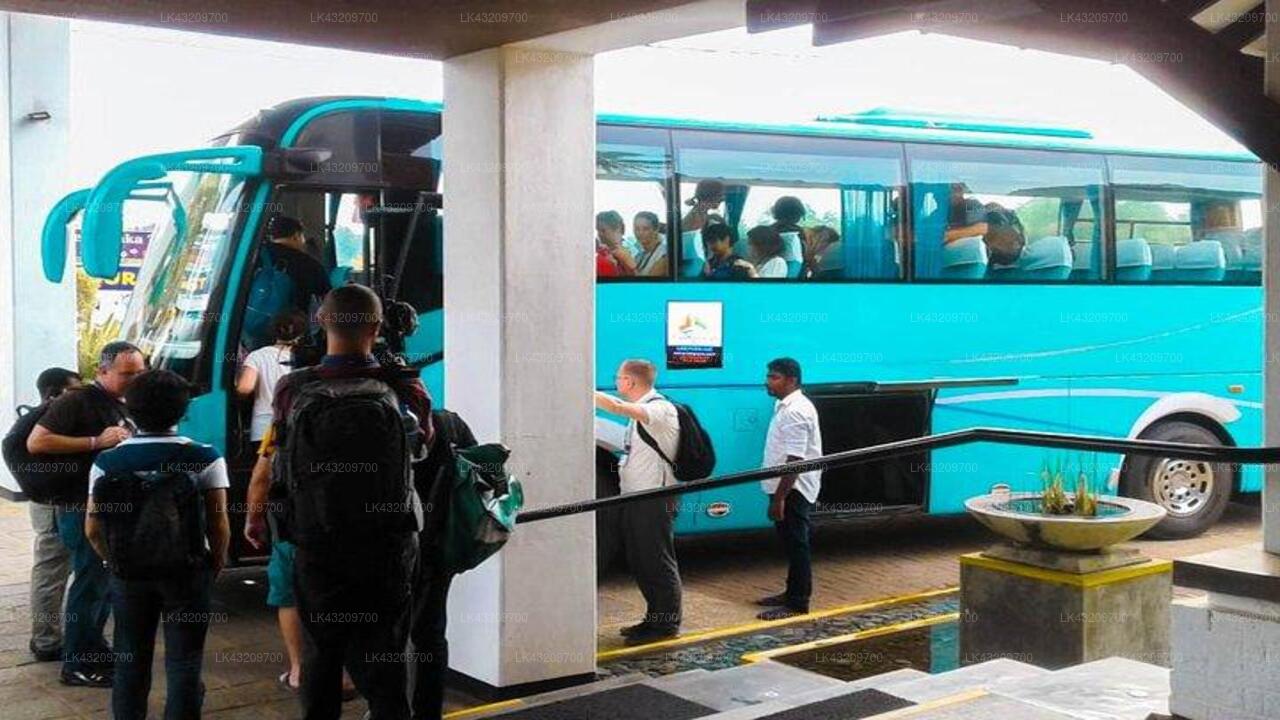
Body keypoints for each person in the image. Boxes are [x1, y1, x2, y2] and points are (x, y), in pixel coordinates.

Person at [245, 284, 432, 720]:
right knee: (386, 654)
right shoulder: (405, 386)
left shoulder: (293, 388)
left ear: (321, 321)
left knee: (321, 653)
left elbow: (276, 458)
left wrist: (256, 517)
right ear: (377, 327)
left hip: (317, 539)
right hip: (388, 542)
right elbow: (422, 447)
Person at [84, 369, 230, 719]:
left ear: (129, 409)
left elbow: (92, 529)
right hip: (186, 571)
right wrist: (215, 562)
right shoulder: (206, 457)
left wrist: (112, 562)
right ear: (184, 409)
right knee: (185, 661)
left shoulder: (107, 461)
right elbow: (218, 523)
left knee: (130, 661)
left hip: (129, 575)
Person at [237, 310, 359, 698]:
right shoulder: (369, 397)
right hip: (352, 521)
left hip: (297, 519)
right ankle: (346, 673)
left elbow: (262, 476)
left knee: (289, 591)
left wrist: (254, 519)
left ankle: (299, 670)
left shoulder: (285, 417)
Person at [28, 341, 145, 687]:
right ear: (102, 371)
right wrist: (96, 442)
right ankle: (77, 663)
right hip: (80, 507)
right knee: (90, 584)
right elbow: (37, 442)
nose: (136, 380)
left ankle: (92, 647)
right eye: (127, 374)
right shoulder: (77, 400)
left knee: (103, 582)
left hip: (108, 506)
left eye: (140, 373)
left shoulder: (119, 401)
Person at [594, 359, 682, 645]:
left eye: (618, 378)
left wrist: (583, 390)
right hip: (637, 498)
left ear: (630, 382)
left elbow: (618, 407)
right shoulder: (642, 412)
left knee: (657, 561)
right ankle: (653, 619)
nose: (616, 382)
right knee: (642, 560)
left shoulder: (659, 408)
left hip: (654, 499)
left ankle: (665, 624)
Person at [410, 409, 476, 720]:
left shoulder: (375, 424)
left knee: (384, 635)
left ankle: (388, 706)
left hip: (390, 551)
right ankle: (427, 711)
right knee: (429, 632)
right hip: (439, 546)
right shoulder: (450, 422)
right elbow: (482, 473)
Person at [756, 358, 823, 621]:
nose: (768, 382)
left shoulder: (796, 411)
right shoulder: (785, 405)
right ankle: (791, 592)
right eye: (769, 376)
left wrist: (779, 499)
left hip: (794, 488)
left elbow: (796, 460)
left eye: (774, 377)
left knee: (797, 544)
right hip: (785, 486)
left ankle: (798, 602)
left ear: (792, 380)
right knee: (790, 543)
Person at [25, 368, 81, 662]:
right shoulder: (49, 420)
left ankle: (47, 637)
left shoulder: (43, 417)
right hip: (52, 505)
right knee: (51, 571)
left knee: (55, 570)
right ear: (55, 393)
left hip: (49, 503)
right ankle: (46, 641)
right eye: (74, 390)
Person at [263, 214, 333, 316]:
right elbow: (328, 300)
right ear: (296, 236)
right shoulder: (310, 264)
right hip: (293, 323)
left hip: (251, 321)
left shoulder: (256, 255)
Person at [596, 211, 636, 277]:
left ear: (622, 229)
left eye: (603, 230)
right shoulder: (598, 255)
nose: (599, 234)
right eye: (598, 230)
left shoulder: (636, 254)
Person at [632, 211, 669, 277]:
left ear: (656, 230)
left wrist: (629, 262)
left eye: (645, 229)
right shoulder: (639, 256)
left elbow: (647, 282)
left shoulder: (664, 255)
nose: (640, 233)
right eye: (637, 229)